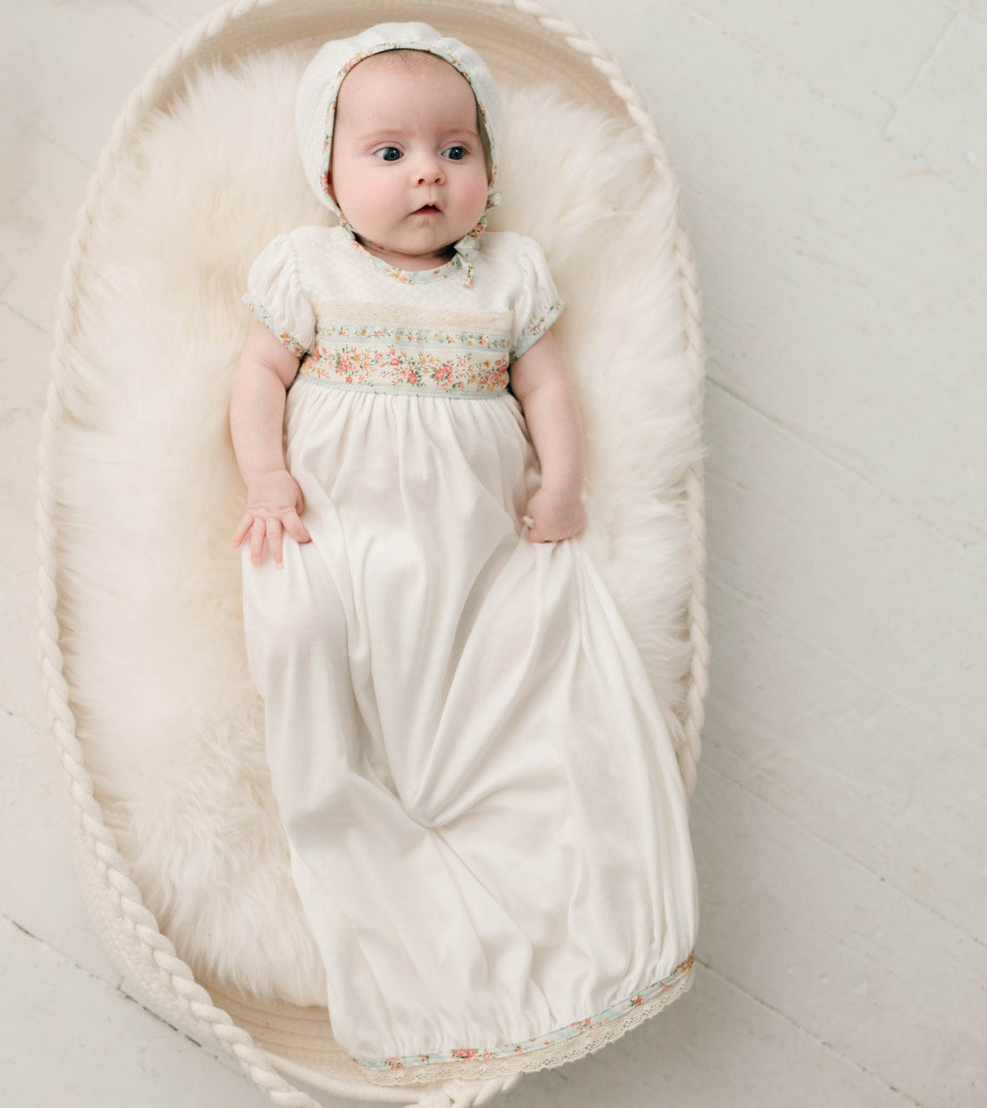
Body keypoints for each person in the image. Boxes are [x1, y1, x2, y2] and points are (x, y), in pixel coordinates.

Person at [228, 22, 698, 1084]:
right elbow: (257, 375)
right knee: (312, 645)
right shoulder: (304, 267)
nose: (426, 174)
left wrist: (562, 482)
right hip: (341, 531)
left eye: (454, 149)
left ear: (487, 168)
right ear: (329, 173)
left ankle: (518, 905)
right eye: (386, 153)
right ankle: (396, 887)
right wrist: (267, 476)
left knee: (496, 683)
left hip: (471, 547)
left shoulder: (508, 279)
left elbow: (545, 388)